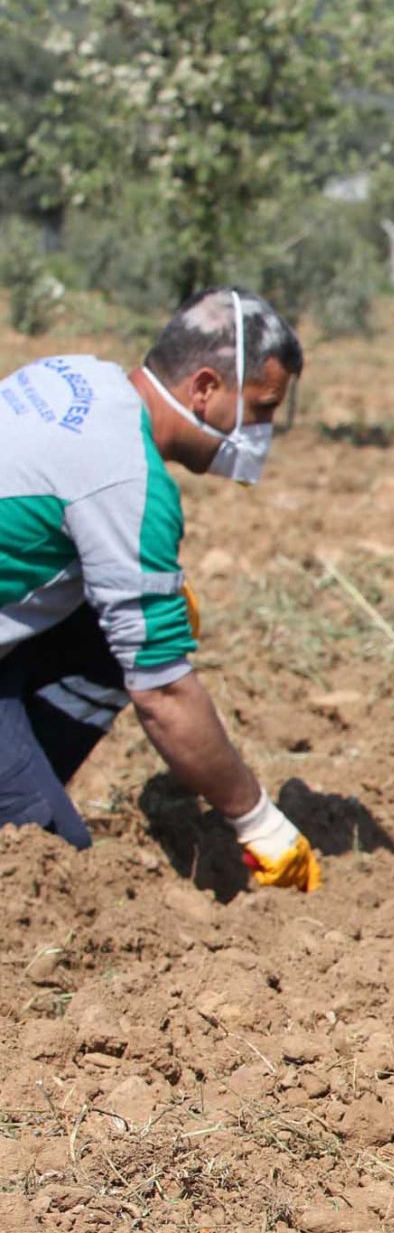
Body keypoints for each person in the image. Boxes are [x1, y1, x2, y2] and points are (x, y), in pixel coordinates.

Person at [0, 287, 321, 888]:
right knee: (45, 872)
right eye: (261, 408)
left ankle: (25, 777)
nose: (262, 431)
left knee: (155, 614)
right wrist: (258, 821)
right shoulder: (127, 479)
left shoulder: (79, 377)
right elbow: (163, 694)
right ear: (204, 387)